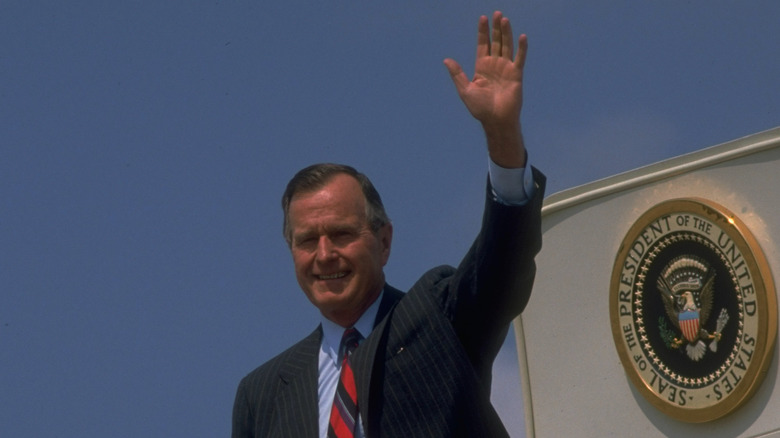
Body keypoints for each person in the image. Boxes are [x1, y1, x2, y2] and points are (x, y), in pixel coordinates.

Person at [232, 11, 546, 438]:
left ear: (383, 241)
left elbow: (502, 263)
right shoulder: (261, 395)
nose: (324, 254)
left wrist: (502, 134)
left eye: (341, 233)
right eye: (308, 240)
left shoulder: (439, 317)